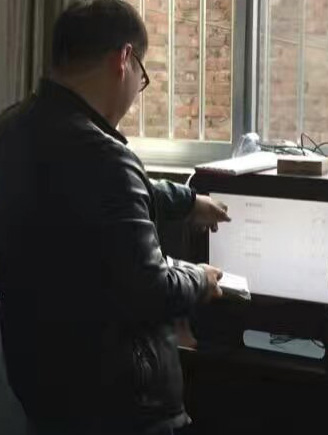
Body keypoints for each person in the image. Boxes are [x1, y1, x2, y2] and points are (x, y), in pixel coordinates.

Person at [0, 1, 230, 434]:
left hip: (42, 388)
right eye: (142, 77)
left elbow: (93, 194)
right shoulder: (104, 156)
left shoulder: (12, 129)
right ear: (124, 59)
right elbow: (152, 290)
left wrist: (185, 201)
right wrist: (199, 278)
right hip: (120, 404)